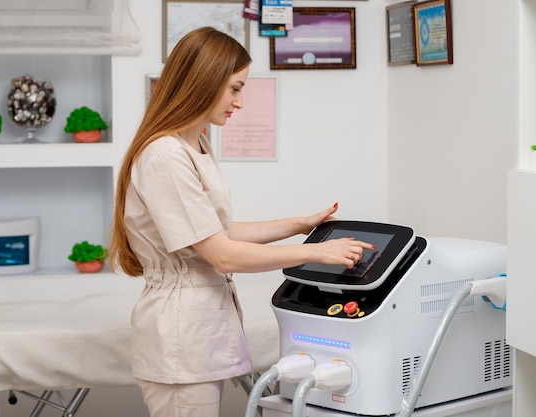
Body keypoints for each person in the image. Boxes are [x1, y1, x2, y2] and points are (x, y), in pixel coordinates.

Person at [107, 26, 376, 417]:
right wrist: (319, 253)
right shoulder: (166, 155)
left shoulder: (194, 144)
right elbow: (224, 256)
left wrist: (298, 224)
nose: (241, 102)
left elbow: (216, 233)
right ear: (204, 82)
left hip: (198, 333)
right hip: (182, 339)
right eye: (234, 88)